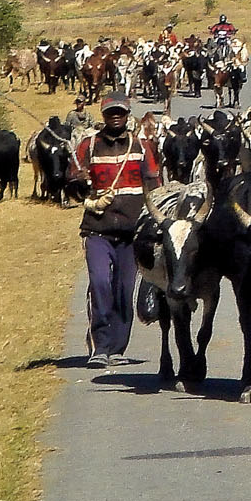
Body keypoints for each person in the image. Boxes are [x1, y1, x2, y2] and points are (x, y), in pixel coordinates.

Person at [70, 95, 163, 369]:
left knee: (124, 289)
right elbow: (71, 185)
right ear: (103, 114)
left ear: (127, 115)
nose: (115, 116)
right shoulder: (88, 146)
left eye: (119, 112)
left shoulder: (142, 146)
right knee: (99, 284)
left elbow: (155, 187)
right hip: (97, 230)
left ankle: (118, 348)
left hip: (131, 232)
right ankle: (100, 346)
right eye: (110, 112)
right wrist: (80, 181)